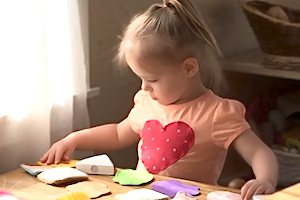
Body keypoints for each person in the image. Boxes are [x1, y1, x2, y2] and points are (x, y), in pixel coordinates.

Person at [40, 0, 278, 199]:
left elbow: (259, 153)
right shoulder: (146, 103)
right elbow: (117, 133)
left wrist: (265, 180)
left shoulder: (217, 113)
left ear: (189, 68)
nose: (144, 87)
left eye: (152, 79)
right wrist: (75, 139)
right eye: (141, 78)